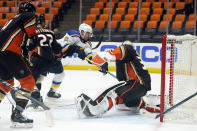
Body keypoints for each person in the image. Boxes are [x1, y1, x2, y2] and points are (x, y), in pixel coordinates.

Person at [76, 41, 155, 118]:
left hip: (138, 85)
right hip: (139, 87)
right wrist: (104, 65)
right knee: (125, 100)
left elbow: (113, 53)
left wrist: (98, 59)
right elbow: (121, 78)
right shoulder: (130, 58)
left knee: (115, 93)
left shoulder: (129, 50)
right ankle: (140, 103)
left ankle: (96, 109)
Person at [0, 2, 37, 128]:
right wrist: (33, 38)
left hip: (2, 53)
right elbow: (31, 34)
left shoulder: (12, 21)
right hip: (10, 52)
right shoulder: (28, 15)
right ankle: (17, 114)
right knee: (28, 81)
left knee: (7, 82)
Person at [33, 23, 93, 100]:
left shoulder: (87, 43)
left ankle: (51, 92)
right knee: (41, 75)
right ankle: (35, 94)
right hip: (50, 53)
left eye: (90, 34)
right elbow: (63, 48)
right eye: (87, 33)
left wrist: (90, 57)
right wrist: (77, 49)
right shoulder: (73, 35)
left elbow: (88, 52)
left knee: (60, 74)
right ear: (82, 32)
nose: (89, 36)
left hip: (57, 58)